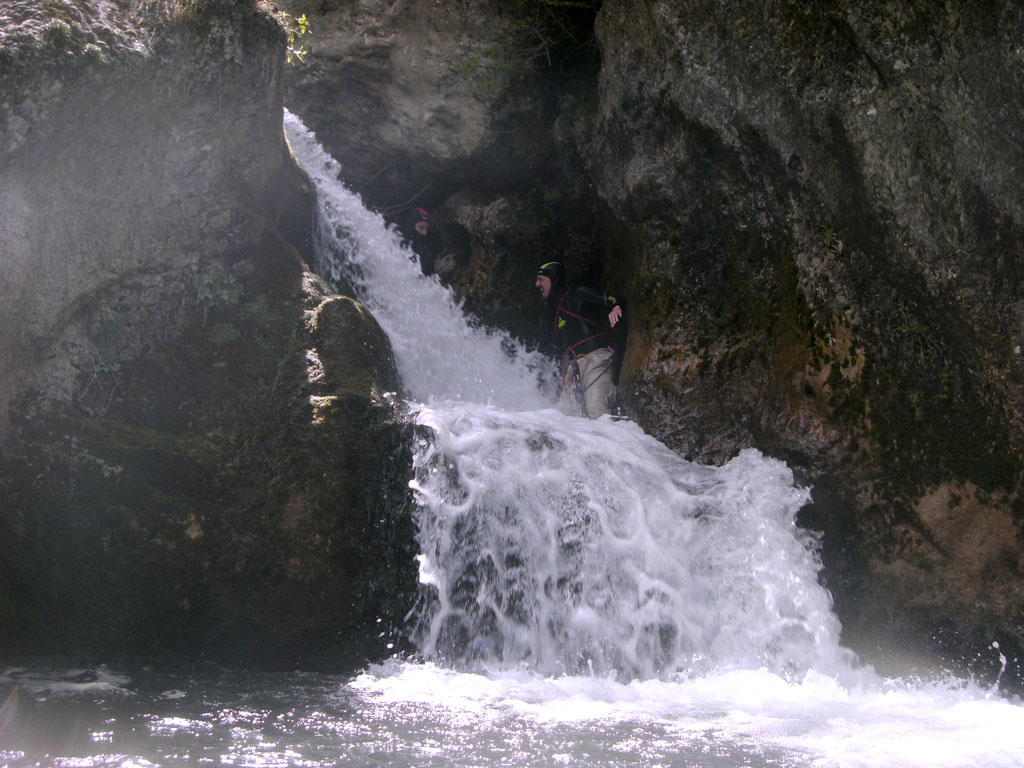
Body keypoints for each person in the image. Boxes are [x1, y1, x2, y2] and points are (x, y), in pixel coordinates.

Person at [535, 261, 625, 418]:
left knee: (596, 409)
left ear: (553, 279)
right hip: (573, 369)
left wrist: (616, 306)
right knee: (570, 420)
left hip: (596, 360)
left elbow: (611, 299)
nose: (537, 284)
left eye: (541, 279)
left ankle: (613, 395)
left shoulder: (577, 294)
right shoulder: (551, 313)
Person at [400, 207, 439, 276]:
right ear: (412, 225)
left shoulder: (428, 246)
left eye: (427, 228)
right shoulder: (398, 243)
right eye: (421, 227)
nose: (425, 233)